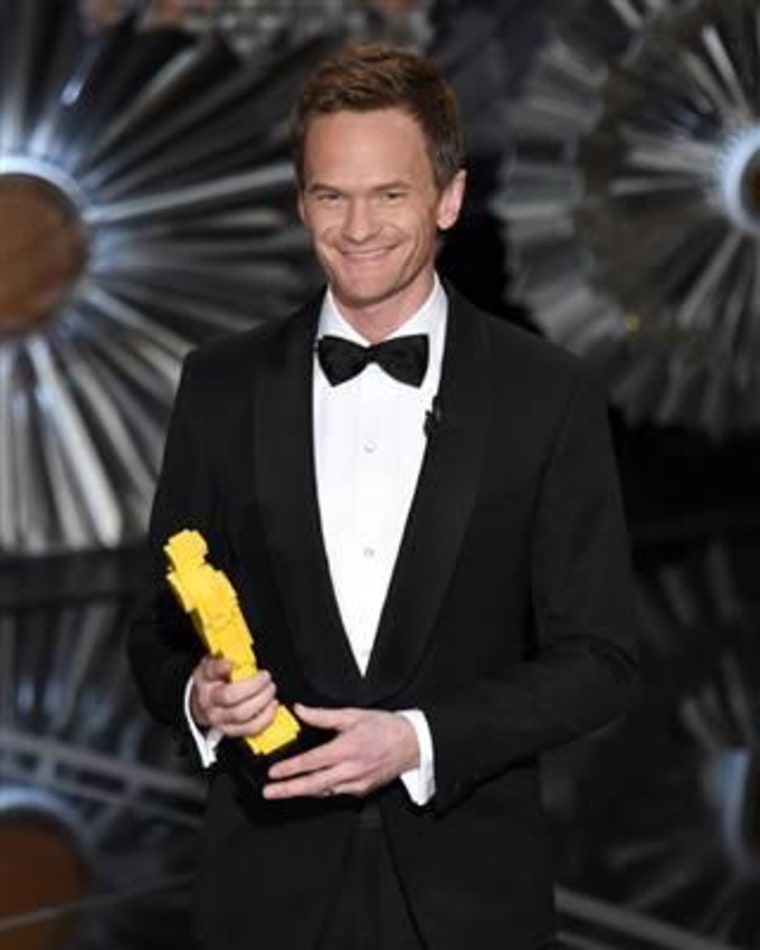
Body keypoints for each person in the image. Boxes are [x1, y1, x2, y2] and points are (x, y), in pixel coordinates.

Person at [128, 43, 639, 950]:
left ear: (448, 197)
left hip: (472, 901)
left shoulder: (545, 392)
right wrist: (202, 700)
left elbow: (600, 657)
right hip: (262, 898)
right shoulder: (221, 384)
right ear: (301, 203)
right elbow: (156, 635)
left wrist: (420, 739)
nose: (357, 226)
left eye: (389, 194)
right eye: (332, 194)